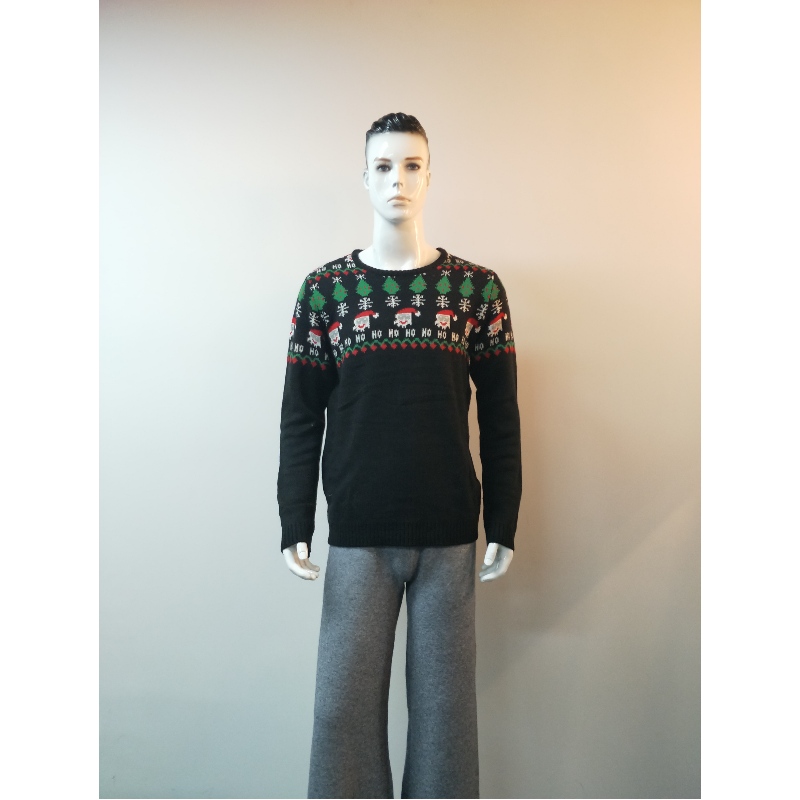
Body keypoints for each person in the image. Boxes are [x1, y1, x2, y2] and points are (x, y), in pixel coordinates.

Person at [277, 112, 522, 798]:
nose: (398, 180)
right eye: (383, 167)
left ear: (430, 175)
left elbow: (501, 416)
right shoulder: (326, 292)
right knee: (343, 718)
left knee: (445, 725)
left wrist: (503, 522)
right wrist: (295, 520)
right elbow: (301, 416)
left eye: (412, 165)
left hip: (449, 534)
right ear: (363, 177)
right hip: (359, 532)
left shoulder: (476, 290)